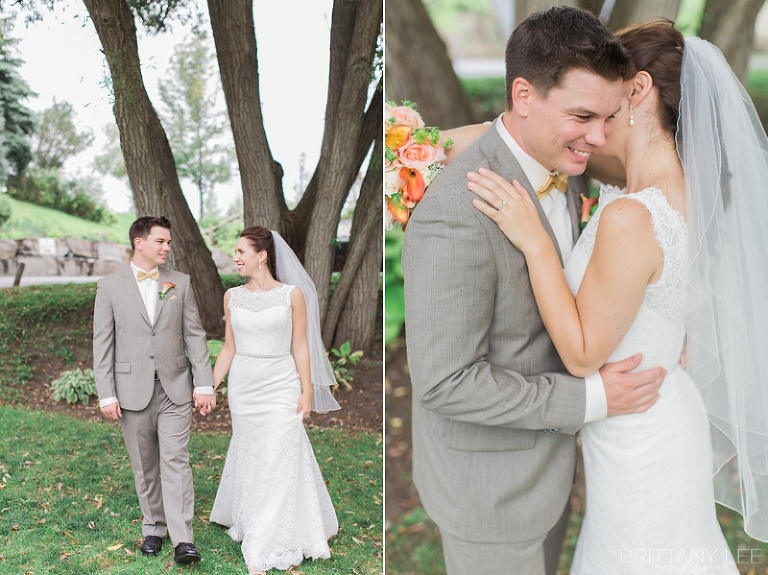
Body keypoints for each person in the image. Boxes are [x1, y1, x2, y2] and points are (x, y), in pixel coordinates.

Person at [467, 18, 768, 571]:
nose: (594, 125)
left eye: (606, 98)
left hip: (640, 438)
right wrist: (417, 143)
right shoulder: (683, 182)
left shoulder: (633, 214)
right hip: (664, 407)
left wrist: (536, 243)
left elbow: (583, 354)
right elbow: (539, 143)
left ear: (639, 89)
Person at [401, 6, 668, 574]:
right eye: (582, 116)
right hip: (491, 497)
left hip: (550, 476)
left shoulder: (561, 162)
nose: (599, 138)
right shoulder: (457, 210)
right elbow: (445, 382)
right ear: (524, 95)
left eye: (608, 117)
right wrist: (593, 400)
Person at [209, 226, 341, 575]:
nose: (235, 257)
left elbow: (300, 345)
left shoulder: (291, 295)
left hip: (281, 385)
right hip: (244, 387)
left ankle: (267, 540)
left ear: (262, 255)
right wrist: (209, 385)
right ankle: (254, 519)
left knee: (279, 455)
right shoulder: (232, 296)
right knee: (255, 456)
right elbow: (228, 348)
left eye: (241, 251)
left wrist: (307, 389)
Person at [93, 215, 216, 565]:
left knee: (176, 461)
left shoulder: (180, 283)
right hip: (131, 390)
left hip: (176, 389)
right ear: (140, 243)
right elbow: (102, 343)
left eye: (168, 242)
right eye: (160, 241)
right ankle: (154, 528)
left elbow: (194, 334)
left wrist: (203, 382)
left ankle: (183, 539)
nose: (166, 248)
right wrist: (107, 393)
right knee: (144, 465)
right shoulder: (109, 286)